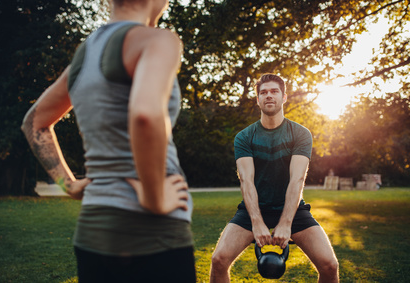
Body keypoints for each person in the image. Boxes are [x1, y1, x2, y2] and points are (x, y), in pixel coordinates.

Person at [21, 0, 196, 282]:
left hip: (93, 232)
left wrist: (69, 185)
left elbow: (33, 123)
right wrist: (154, 200)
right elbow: (145, 115)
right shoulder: (160, 40)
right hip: (152, 233)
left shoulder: (84, 55)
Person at [210, 74, 339, 282]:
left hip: (292, 208)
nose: (268, 96)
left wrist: (286, 222)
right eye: (263, 92)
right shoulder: (244, 137)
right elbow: (246, 180)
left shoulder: (300, 134)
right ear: (258, 99)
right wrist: (257, 222)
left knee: (329, 265)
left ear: (284, 97)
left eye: (274, 91)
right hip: (253, 208)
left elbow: (297, 179)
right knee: (219, 260)